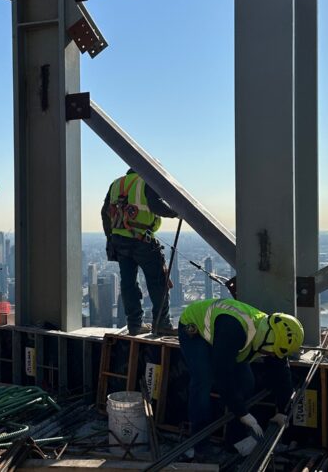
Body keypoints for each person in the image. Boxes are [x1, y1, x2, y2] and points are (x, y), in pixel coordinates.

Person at [178, 298, 304, 452]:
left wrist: (283, 411)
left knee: (246, 383)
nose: (270, 356)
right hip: (194, 327)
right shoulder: (235, 330)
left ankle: (234, 440)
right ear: (267, 338)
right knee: (203, 380)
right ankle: (199, 444)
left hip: (226, 338)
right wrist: (242, 413)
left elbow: (282, 372)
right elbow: (222, 375)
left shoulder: (272, 334)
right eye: (271, 352)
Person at [101, 169, 178, 335]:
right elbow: (156, 206)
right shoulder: (146, 180)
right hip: (142, 240)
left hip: (120, 241)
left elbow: (105, 212)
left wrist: (110, 237)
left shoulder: (117, 184)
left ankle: (135, 325)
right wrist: (176, 212)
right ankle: (161, 324)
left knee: (128, 284)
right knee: (158, 282)